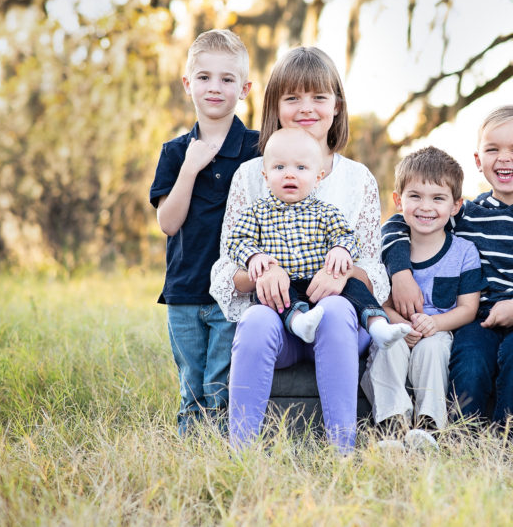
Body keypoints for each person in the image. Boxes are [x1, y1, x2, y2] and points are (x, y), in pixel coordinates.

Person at [209, 46, 388, 453]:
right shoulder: (250, 176)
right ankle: (241, 453)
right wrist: (261, 271)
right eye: (292, 98)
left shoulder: (357, 179)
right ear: (275, 106)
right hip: (280, 320)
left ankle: (343, 450)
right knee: (255, 320)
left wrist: (341, 275)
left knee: (340, 308)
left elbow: (375, 272)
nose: (306, 108)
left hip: (341, 324)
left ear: (337, 105)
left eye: (318, 97)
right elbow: (225, 271)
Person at [383, 105, 513, 424]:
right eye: (492, 149)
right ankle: (463, 433)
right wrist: (400, 271)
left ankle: (509, 435)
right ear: (478, 160)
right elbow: (399, 223)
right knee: (470, 358)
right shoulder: (467, 214)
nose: (503, 158)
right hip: (476, 315)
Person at [149, 29, 260, 435]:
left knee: (221, 384)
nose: (215, 88)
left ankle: (222, 451)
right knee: (190, 387)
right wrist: (191, 167)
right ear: (187, 83)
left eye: (228, 79)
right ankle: (189, 455)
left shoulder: (257, 148)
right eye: (204, 77)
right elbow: (168, 222)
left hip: (234, 289)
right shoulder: (175, 152)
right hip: (183, 288)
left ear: (245, 88)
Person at [225, 127, 409, 347]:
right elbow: (237, 241)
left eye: (301, 168)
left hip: (322, 284)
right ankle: (298, 321)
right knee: (274, 294)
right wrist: (254, 257)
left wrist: (341, 250)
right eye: (279, 167)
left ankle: (378, 325)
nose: (289, 174)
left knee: (354, 286)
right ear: (265, 177)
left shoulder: (325, 212)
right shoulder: (256, 212)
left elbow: (347, 236)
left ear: (318, 177)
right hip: (284, 281)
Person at [362, 147, 484, 445]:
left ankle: (429, 426)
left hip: (438, 329)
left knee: (434, 349)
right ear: (398, 200)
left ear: (456, 206)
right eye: (415, 196)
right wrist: (396, 323)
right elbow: (379, 301)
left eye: (438, 198)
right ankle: (392, 424)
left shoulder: (464, 252)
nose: (425, 207)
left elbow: (468, 308)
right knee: (388, 347)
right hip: (398, 327)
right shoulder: (389, 252)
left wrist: (435, 324)